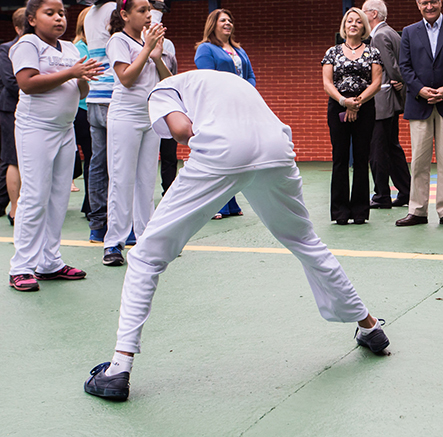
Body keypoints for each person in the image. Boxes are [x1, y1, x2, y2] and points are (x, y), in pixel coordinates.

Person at [83, 70, 390, 401]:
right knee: (306, 243)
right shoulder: (219, 80)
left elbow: (181, 131)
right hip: (277, 148)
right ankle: (370, 326)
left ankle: (118, 367)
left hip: (225, 150)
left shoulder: (161, 89)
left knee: (146, 255)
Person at [8, 0, 103, 291]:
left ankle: (49, 262)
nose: (60, 18)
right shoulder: (27, 44)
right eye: (51, 13)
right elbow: (27, 84)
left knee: (59, 196)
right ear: (32, 19)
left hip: (64, 130)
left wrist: (83, 77)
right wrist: (71, 73)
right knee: (35, 196)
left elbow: (82, 92)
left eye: (62, 13)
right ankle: (20, 267)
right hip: (35, 128)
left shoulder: (71, 50)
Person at [101, 0, 171, 267]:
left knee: (146, 180)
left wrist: (156, 56)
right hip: (125, 116)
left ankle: (147, 239)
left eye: (149, 10)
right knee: (122, 178)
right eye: (141, 10)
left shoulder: (151, 43)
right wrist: (146, 49)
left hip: (149, 116)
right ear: (125, 15)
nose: (148, 15)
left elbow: (167, 81)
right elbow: (127, 79)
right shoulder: (118, 40)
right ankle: (113, 243)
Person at [396, 0, 443, 228]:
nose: (429, 6)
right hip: (419, 103)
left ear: (441, 2)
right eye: (424, 3)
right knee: (419, 160)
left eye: (433, 2)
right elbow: (404, 66)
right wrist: (419, 89)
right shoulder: (408, 32)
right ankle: (417, 210)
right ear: (418, 5)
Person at [321, 7, 382, 224]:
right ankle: (339, 212)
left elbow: (376, 82)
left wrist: (357, 103)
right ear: (344, 26)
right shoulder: (332, 52)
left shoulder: (373, 52)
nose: (353, 24)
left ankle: (359, 212)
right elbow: (327, 82)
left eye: (358, 21)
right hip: (338, 106)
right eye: (349, 21)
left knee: (361, 158)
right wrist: (343, 101)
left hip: (364, 108)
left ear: (364, 26)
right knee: (339, 158)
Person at [194, 8, 255, 219]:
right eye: (223, 20)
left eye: (230, 20)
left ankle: (230, 203)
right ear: (213, 25)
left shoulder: (239, 50)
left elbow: (250, 76)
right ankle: (214, 205)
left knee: (233, 155)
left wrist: (247, 93)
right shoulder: (206, 49)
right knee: (220, 155)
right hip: (218, 109)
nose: (228, 23)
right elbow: (208, 80)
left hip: (239, 108)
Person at [84, 0, 124, 244]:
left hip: (94, 98)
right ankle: (121, 226)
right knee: (120, 165)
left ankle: (97, 225)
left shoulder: (88, 13)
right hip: (115, 98)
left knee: (98, 163)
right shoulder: (113, 9)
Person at [362, 0, 411, 209]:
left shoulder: (379, 36)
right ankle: (406, 191)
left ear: (373, 14)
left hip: (382, 100)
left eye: (364, 12)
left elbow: (389, 68)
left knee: (377, 150)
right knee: (391, 147)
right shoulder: (391, 33)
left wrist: (399, 82)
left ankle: (381, 195)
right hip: (390, 100)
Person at [0, 7, 26, 225]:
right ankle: (14, 207)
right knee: (13, 158)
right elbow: (10, 82)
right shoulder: (6, 49)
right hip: (11, 109)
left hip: (35, 110)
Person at [72, 6, 93, 217]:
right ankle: (90, 204)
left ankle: (90, 203)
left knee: (93, 157)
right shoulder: (79, 48)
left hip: (92, 107)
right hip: (82, 109)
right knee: (90, 156)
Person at [159, 37, 179, 194]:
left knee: (169, 154)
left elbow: (173, 82)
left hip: (166, 109)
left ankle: (169, 192)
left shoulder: (169, 55)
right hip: (144, 111)